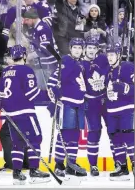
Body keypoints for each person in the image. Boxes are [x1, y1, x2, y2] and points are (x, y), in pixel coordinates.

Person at [0, 45, 50, 185]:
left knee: (17, 143)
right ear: (24, 56)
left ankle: (17, 172)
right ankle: (34, 170)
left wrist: (1, 107)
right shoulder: (26, 70)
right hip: (25, 113)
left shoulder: (6, 71)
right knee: (35, 139)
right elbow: (31, 94)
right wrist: (47, 94)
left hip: (10, 115)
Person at [47, 38, 87, 178]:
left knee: (75, 136)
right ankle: (59, 164)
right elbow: (52, 81)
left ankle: (71, 164)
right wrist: (55, 95)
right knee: (64, 135)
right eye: (75, 47)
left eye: (79, 47)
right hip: (67, 104)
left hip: (79, 104)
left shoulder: (79, 63)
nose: (77, 50)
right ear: (70, 48)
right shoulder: (66, 61)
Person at [81, 37, 114, 176]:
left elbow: (113, 66)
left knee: (113, 131)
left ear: (97, 49)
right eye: (89, 47)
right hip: (90, 103)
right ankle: (93, 165)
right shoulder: (80, 64)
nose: (91, 50)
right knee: (94, 133)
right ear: (85, 48)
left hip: (105, 100)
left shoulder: (102, 59)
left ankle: (120, 162)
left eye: (94, 48)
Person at [105, 43, 134, 180]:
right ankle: (122, 167)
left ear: (118, 55)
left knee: (128, 137)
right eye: (108, 55)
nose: (110, 57)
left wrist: (124, 87)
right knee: (116, 139)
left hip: (126, 110)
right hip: (111, 111)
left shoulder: (128, 67)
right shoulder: (108, 71)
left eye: (112, 54)